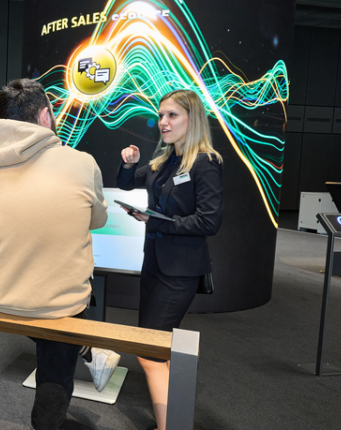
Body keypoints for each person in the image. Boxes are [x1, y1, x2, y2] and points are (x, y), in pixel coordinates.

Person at [0, 79, 114, 430]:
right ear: (45, 116)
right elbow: (98, 220)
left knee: (46, 315)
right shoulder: (81, 162)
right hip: (60, 306)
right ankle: (47, 418)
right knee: (59, 338)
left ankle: (83, 347)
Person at [116, 89, 223, 430]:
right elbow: (125, 182)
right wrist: (129, 163)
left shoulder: (205, 162)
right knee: (157, 347)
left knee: (148, 351)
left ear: (193, 119)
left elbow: (209, 221)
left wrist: (157, 221)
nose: (163, 122)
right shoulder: (164, 162)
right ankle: (175, 418)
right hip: (154, 264)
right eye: (161, 115)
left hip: (180, 272)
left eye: (172, 115)